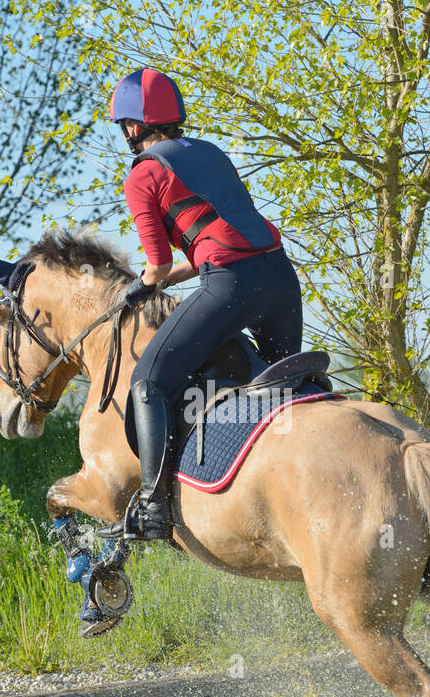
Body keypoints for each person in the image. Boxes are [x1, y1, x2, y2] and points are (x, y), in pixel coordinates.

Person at [96, 68, 303, 542]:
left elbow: (160, 265)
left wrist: (139, 288)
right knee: (292, 394)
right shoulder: (212, 153)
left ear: (133, 126)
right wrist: (162, 279)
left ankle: (151, 507)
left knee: (148, 383)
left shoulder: (143, 174)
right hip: (280, 280)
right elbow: (217, 247)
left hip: (231, 285)